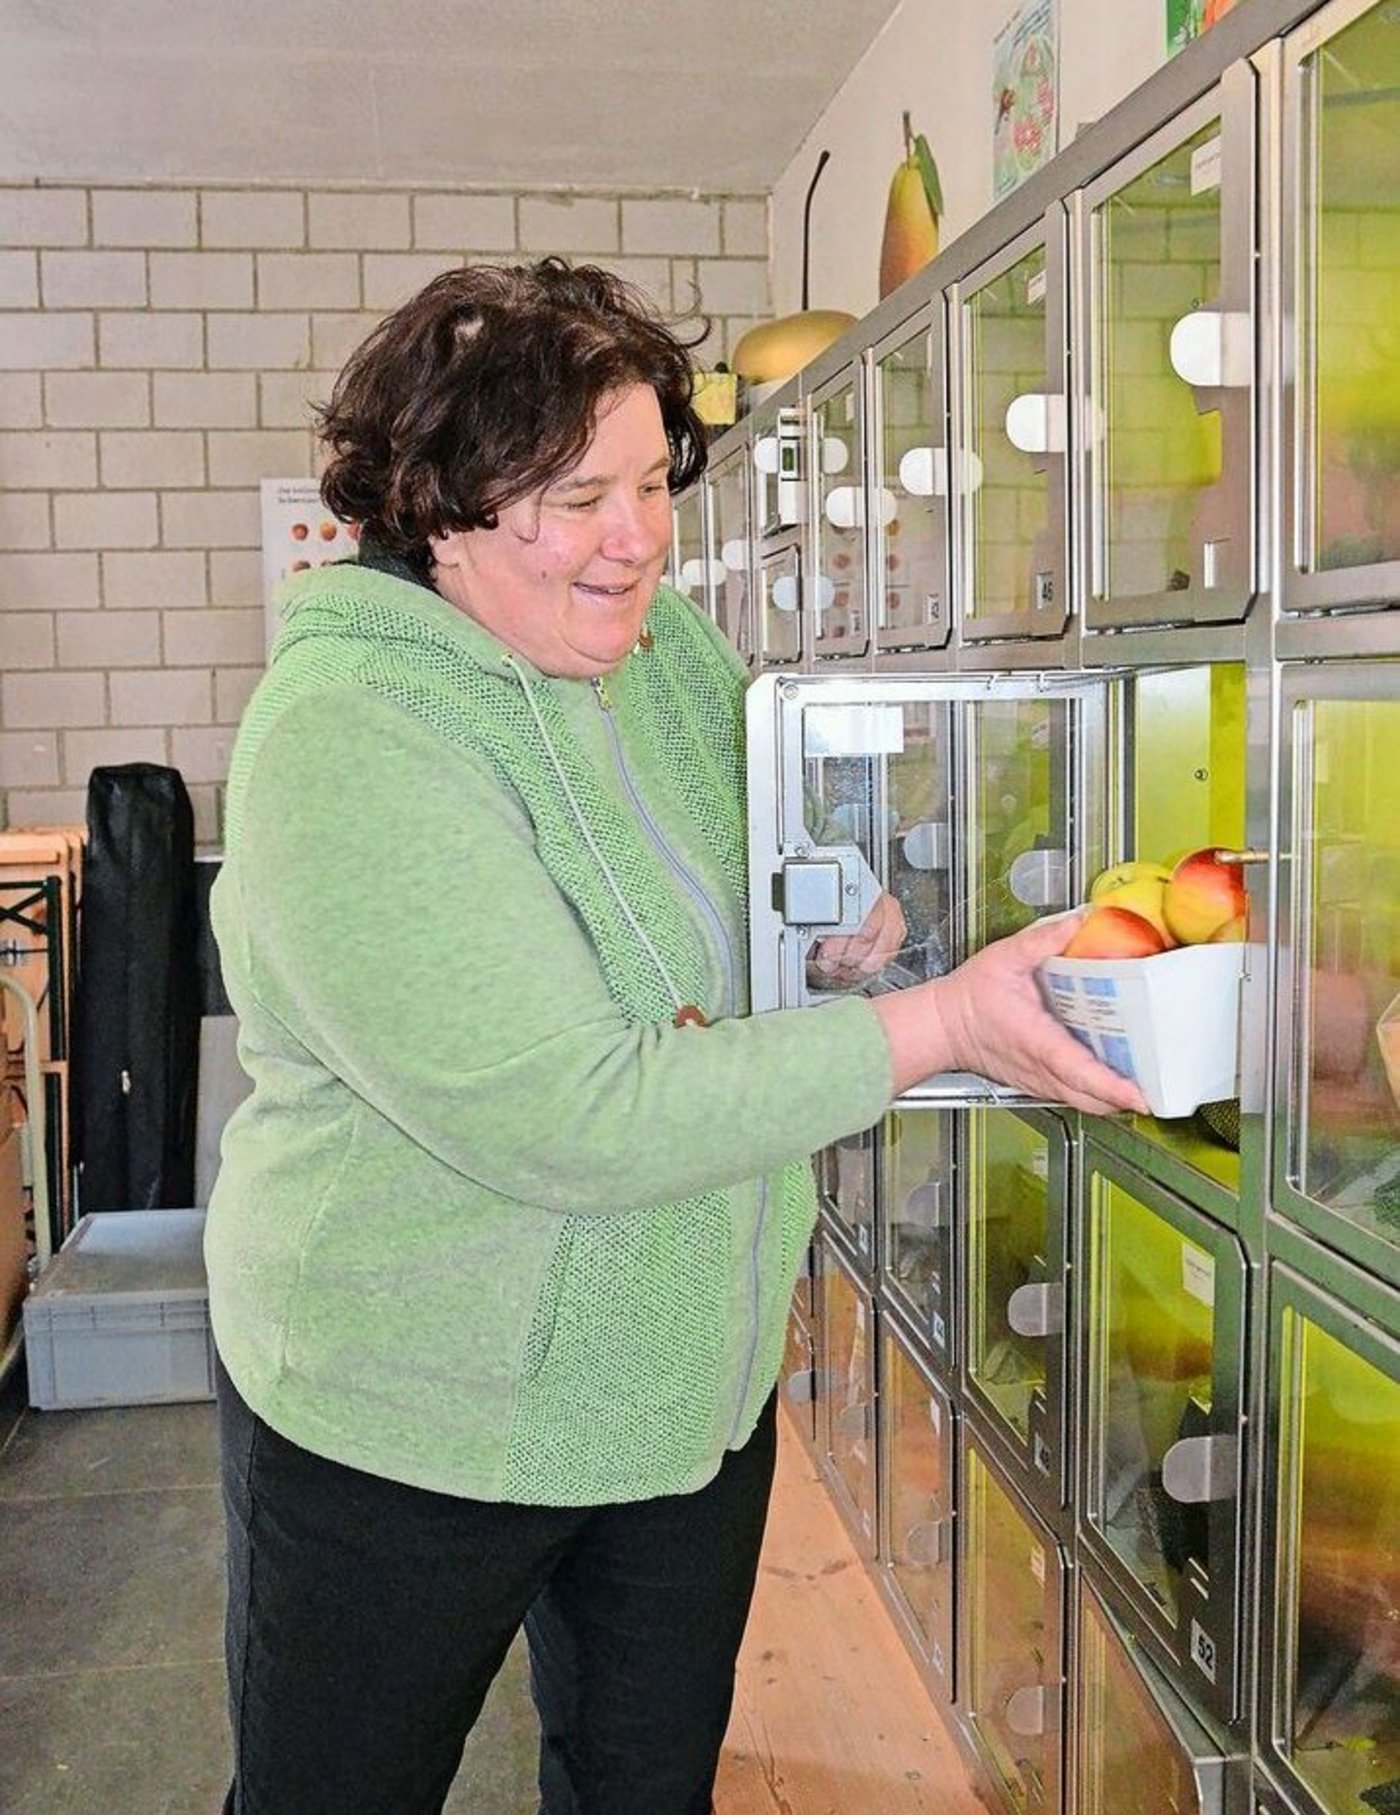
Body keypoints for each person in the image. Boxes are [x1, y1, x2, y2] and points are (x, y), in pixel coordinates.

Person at [206, 256, 1144, 1815]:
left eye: (651, 483)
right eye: (575, 498)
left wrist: (832, 919)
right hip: (407, 1416)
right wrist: (935, 1024)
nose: (636, 539)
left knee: (643, 1786)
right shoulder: (352, 739)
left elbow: (740, 852)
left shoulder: (657, 653)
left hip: (674, 1392)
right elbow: (576, 1116)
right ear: (434, 506)